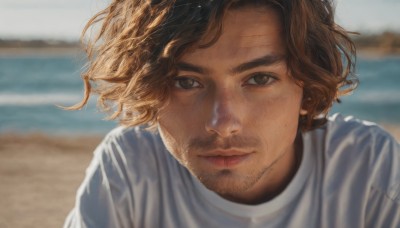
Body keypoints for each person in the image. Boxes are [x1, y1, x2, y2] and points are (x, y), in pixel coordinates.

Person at [64, 0, 400, 227]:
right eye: (186, 82)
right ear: (149, 88)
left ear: (307, 88)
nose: (222, 124)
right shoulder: (130, 166)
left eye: (259, 79)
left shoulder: (367, 169)